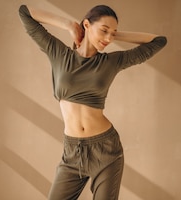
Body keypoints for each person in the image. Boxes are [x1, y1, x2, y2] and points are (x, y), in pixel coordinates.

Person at [18, 4, 167, 200]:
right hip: (72, 153)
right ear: (87, 24)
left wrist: (114, 35)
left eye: (111, 34)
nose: (107, 39)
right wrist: (70, 24)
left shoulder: (111, 62)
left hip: (106, 150)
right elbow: (25, 13)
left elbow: (158, 41)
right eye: (104, 30)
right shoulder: (59, 54)